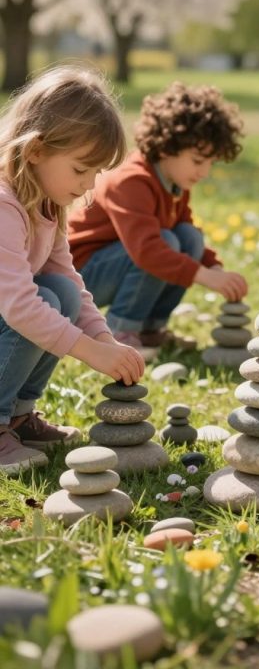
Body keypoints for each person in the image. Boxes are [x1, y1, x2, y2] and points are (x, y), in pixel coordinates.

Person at [0, 66, 144, 475]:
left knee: (59, 291)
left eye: (97, 173)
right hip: (7, 313)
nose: (88, 184)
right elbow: (19, 308)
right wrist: (90, 352)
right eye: (81, 169)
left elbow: (73, 288)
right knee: (41, 300)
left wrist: (104, 339)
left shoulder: (45, 204)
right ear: (35, 151)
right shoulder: (3, 203)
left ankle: (17, 417)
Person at [68, 82, 248, 361]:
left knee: (189, 238)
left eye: (210, 162)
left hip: (118, 263)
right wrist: (204, 276)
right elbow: (147, 250)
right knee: (166, 243)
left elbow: (186, 232)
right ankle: (120, 330)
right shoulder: (131, 181)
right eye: (198, 160)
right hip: (80, 277)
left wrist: (214, 266)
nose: (205, 171)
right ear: (167, 146)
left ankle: (150, 328)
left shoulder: (174, 182)